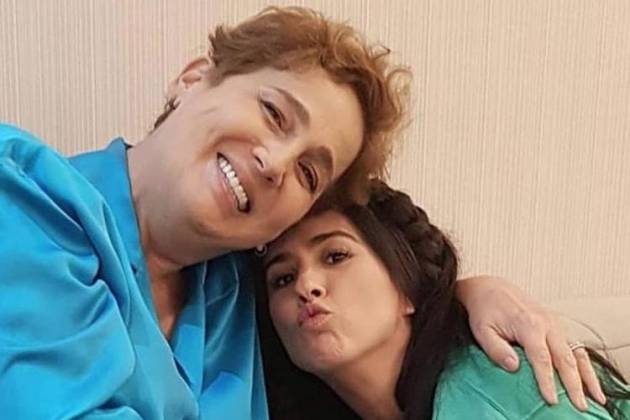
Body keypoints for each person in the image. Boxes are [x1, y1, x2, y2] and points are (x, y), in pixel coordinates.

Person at [0, 6, 602, 419]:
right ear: (194, 79)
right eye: (273, 112)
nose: (275, 163)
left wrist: (464, 296)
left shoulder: (237, 289)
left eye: (310, 173)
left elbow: (369, 299)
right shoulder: (23, 192)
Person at [258, 180, 630, 419]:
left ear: (406, 287)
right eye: (282, 278)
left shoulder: (500, 384)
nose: (306, 286)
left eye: (335, 256)